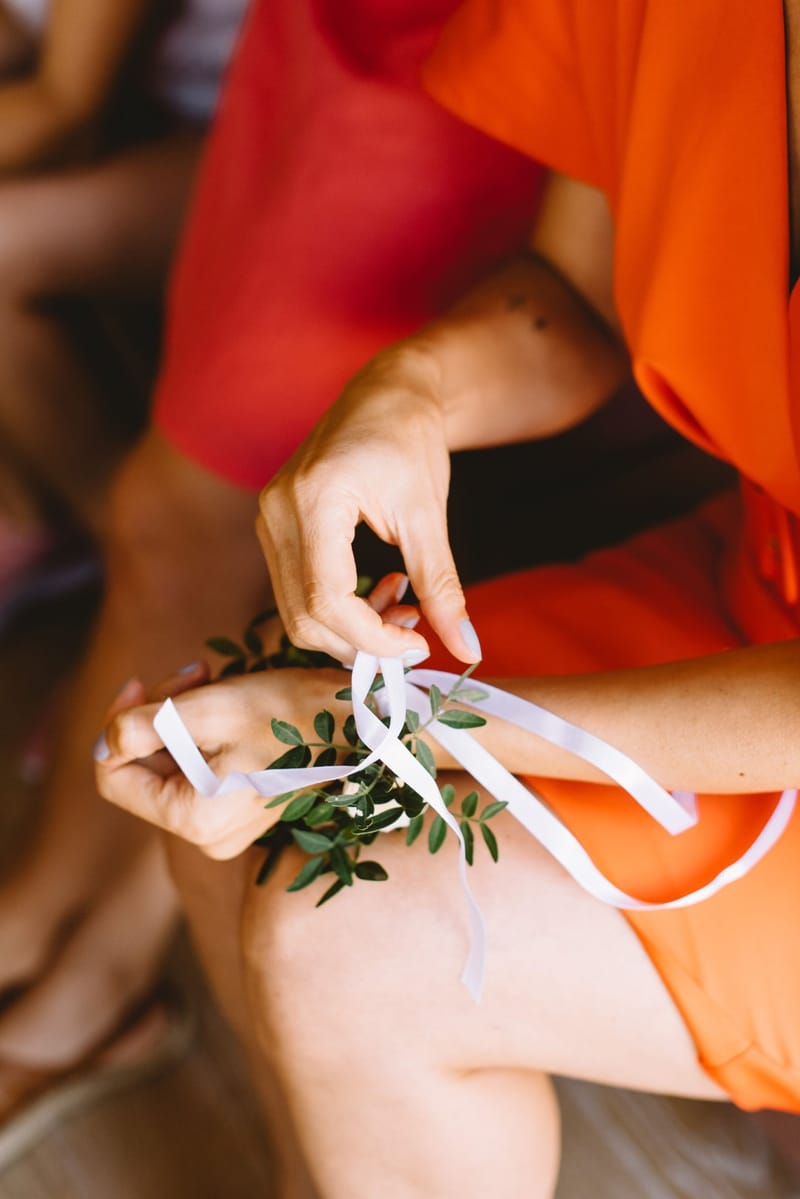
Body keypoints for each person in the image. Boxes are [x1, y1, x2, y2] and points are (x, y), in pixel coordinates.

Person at [98, 0, 800, 1195]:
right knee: (257, 773)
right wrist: (409, 396)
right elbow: (573, 295)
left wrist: (401, 730)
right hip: (756, 583)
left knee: (352, 934)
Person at [0, 0, 546, 1160]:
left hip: (442, 57)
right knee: (185, 509)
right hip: (312, 42)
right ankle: (66, 940)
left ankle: (65, 954)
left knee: (185, 507)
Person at [0, 0, 248, 1146]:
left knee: (220, 519)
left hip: (339, 145)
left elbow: (62, 108)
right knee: (175, 524)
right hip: (285, 125)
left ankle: (90, 986)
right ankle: (35, 923)